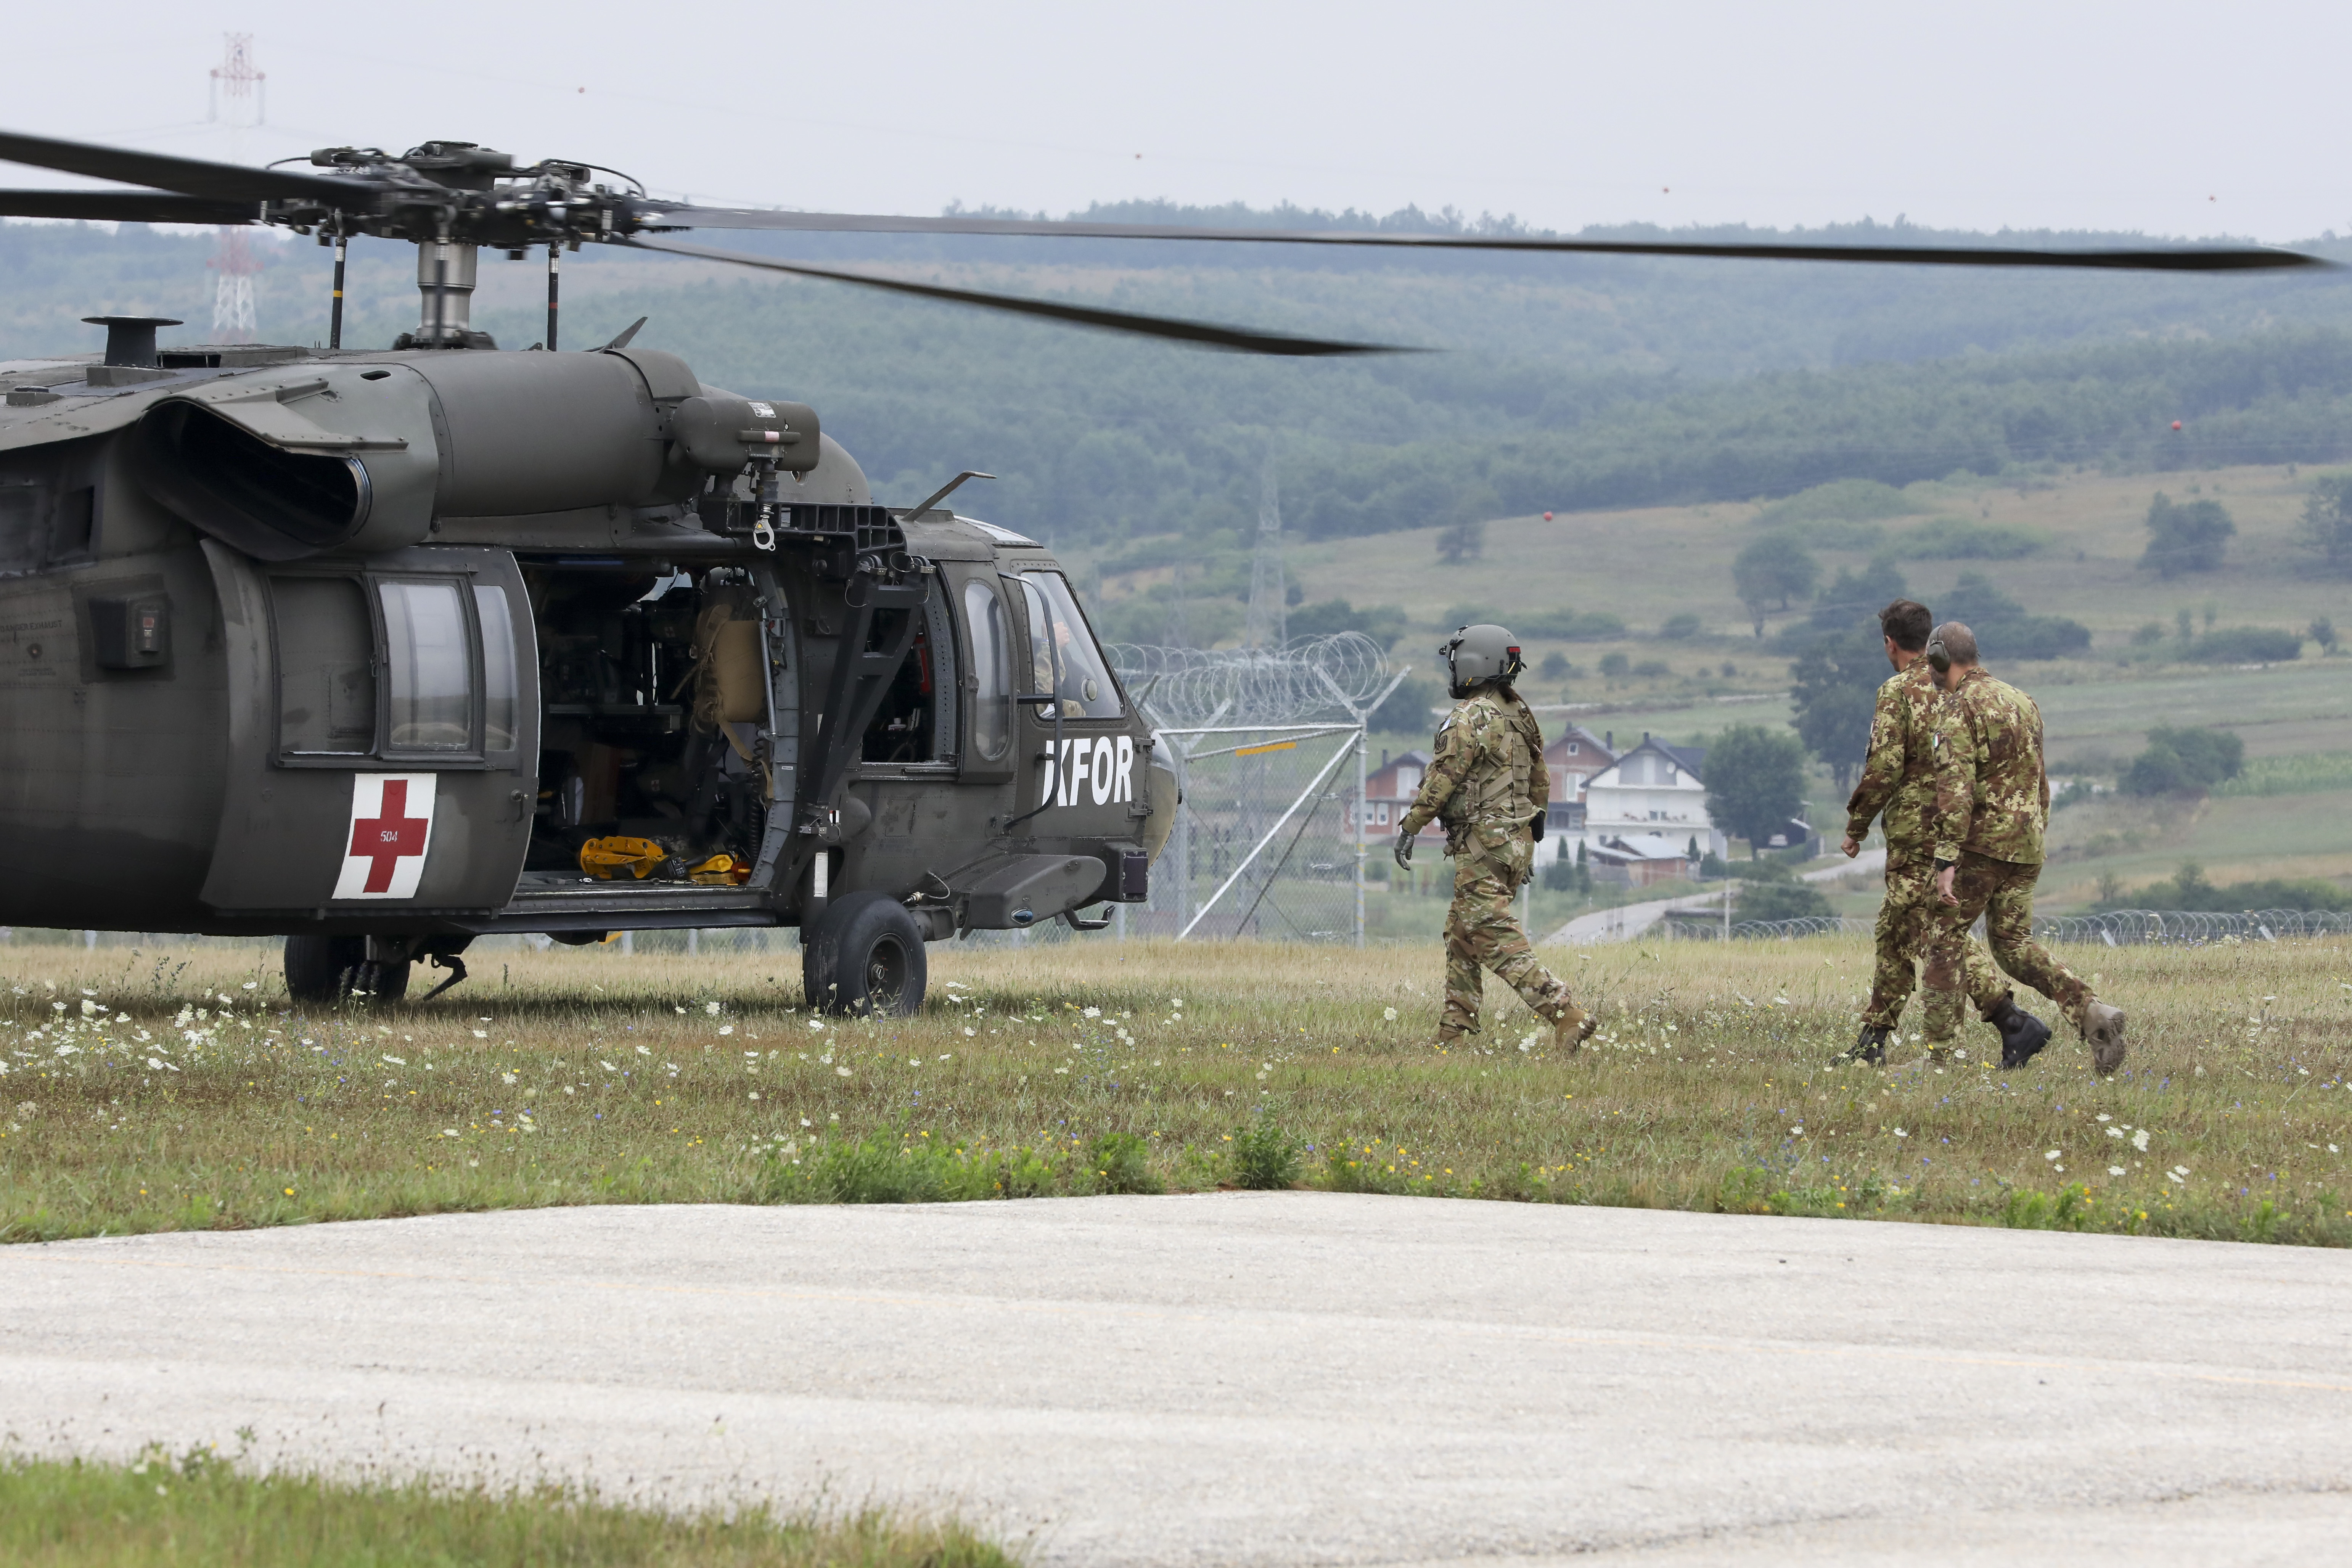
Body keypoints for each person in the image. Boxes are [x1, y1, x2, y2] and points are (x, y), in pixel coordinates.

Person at [1836, 598, 2052, 1069]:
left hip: (1918, 834)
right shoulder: (1957, 686)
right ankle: (1873, 1037)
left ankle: (2010, 1019)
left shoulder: (1898, 691)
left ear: (1889, 643)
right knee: (1895, 929)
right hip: (1965, 829)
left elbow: (1885, 766)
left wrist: (1856, 826)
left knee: (1934, 935)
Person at [1918, 622, 2127, 1073]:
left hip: (1980, 846)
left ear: (1939, 660)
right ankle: (2091, 1013)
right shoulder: (2022, 702)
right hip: (2026, 843)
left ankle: (1939, 1061)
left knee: (1939, 935)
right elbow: (2040, 781)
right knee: (2012, 945)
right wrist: (2034, 835)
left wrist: (1945, 859)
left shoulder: (1957, 709)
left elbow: (1955, 791)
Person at [1394, 625, 1595, 1052]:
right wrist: (1527, 843)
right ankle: (1454, 1029)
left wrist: (1411, 825)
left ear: (1472, 663)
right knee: (1462, 932)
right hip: (1512, 840)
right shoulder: (1518, 714)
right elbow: (1539, 781)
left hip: (1484, 842)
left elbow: (1444, 777)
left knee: (1488, 931)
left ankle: (1564, 1012)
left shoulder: (1471, 717)